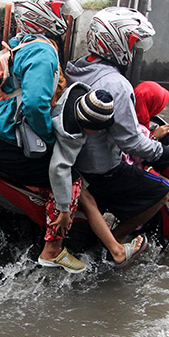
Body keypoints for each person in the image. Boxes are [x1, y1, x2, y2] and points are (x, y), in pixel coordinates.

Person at [0, 0, 86, 272]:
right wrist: (49, 138)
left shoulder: (20, 40)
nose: (63, 16)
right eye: (58, 10)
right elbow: (35, 105)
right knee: (70, 178)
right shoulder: (44, 51)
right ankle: (53, 249)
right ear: (44, 14)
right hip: (5, 140)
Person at [63, 7, 169, 242]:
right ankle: (113, 240)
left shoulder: (76, 68)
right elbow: (130, 141)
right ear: (117, 43)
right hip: (100, 170)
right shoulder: (116, 84)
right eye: (131, 44)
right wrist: (167, 151)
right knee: (163, 189)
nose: (133, 51)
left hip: (74, 159)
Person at [49, 86, 148, 268]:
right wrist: (64, 211)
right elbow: (59, 168)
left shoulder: (79, 91)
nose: (100, 133)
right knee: (86, 198)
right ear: (87, 125)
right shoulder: (70, 134)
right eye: (98, 130)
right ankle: (116, 252)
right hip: (45, 158)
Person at [124, 80, 169, 167]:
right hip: (128, 168)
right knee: (165, 181)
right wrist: (154, 137)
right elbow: (139, 156)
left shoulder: (125, 115)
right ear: (153, 105)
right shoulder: (140, 128)